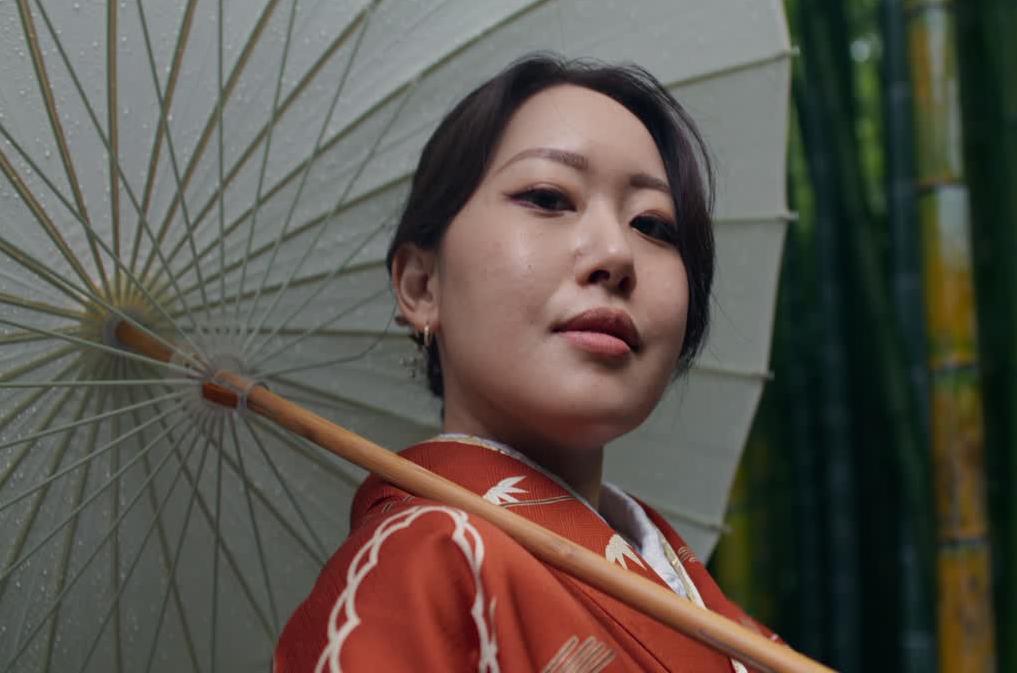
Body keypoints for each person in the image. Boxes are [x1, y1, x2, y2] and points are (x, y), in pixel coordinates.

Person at [274, 54, 778, 672]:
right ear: (421, 286)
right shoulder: (422, 567)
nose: (617, 253)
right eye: (547, 197)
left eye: (653, 224)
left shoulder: (699, 605)